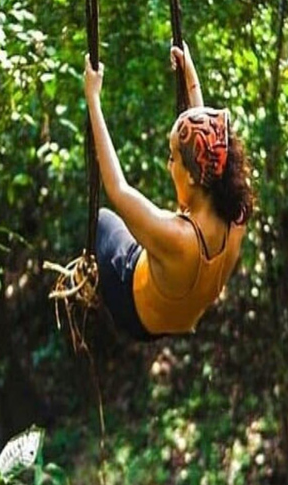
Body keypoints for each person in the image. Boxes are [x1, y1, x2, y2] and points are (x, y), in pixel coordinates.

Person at [84, 43, 254, 341]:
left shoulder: (178, 239)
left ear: (190, 176)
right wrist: (191, 78)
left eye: (173, 157)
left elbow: (117, 188)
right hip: (177, 311)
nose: (168, 165)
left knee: (102, 220)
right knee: (146, 236)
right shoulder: (236, 216)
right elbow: (209, 149)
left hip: (134, 310)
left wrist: (93, 100)